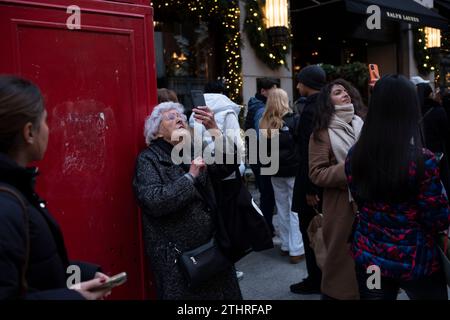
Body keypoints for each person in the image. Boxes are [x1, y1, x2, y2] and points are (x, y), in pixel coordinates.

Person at [0, 75, 112, 300]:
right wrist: (76, 297)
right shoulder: (5, 206)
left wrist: (85, 274)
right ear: (29, 132)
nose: (49, 129)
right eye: (45, 120)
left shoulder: (18, 189)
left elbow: (38, 269)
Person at [346, 74, 450, 300]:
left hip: (371, 258)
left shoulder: (356, 154)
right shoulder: (422, 160)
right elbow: (437, 217)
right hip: (415, 261)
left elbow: (358, 197)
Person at [133, 101, 242, 299]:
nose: (179, 120)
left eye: (181, 117)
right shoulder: (148, 160)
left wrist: (213, 129)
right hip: (178, 258)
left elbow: (229, 164)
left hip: (213, 246)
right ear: (156, 133)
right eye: (171, 117)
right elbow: (154, 201)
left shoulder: (193, 150)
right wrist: (189, 177)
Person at [309, 79, 363, 300]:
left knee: (372, 268)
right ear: (327, 101)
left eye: (347, 91)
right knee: (340, 272)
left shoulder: (362, 124)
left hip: (369, 206)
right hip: (342, 209)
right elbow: (316, 173)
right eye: (338, 92)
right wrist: (351, 167)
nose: (346, 94)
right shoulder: (321, 133)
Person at [188, 80, 246, 278]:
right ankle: (229, 262)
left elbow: (191, 143)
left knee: (213, 218)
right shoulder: (228, 111)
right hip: (225, 169)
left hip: (203, 169)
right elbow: (235, 146)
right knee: (229, 219)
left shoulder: (194, 113)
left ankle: (215, 258)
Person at [290, 65, 326, 294]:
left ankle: (317, 279)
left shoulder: (312, 110)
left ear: (307, 83)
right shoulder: (326, 105)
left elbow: (308, 153)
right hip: (323, 181)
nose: (297, 86)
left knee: (312, 231)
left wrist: (310, 188)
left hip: (312, 183)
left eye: (300, 82)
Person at [259, 88, 304, 264]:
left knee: (282, 208)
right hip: (293, 170)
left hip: (274, 171)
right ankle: (296, 249)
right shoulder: (294, 120)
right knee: (295, 210)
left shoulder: (264, 122)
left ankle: (286, 245)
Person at [244, 78, 278, 237]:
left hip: (256, 156)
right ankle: (266, 229)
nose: (275, 92)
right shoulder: (261, 109)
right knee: (268, 194)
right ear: (263, 91)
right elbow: (264, 137)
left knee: (266, 193)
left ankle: (266, 227)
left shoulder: (254, 105)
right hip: (263, 157)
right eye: (273, 88)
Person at [414, 80, 449, 194]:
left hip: (418, 155)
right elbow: (446, 133)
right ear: (429, 94)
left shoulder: (413, 112)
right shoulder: (438, 110)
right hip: (438, 154)